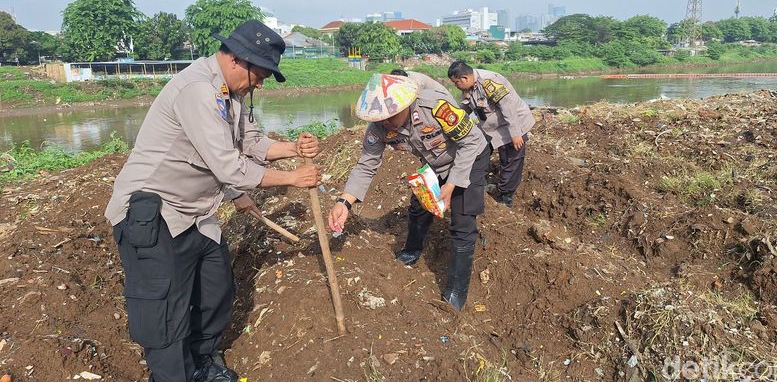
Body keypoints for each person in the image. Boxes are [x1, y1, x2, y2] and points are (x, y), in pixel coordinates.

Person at [104, 20, 321, 382]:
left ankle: (203, 363)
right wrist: (292, 179)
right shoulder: (198, 90)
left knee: (216, 289)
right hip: (155, 214)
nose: (261, 82)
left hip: (197, 214)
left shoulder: (230, 95)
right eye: (261, 73)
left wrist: (292, 149)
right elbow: (228, 165)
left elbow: (250, 143)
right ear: (237, 59)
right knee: (166, 313)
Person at [327, 73, 490, 311]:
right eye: (379, 118)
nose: (385, 122)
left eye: (389, 116)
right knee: (419, 206)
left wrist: (452, 183)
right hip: (435, 164)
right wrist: (344, 202)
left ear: (405, 104)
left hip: (470, 157)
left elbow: (472, 141)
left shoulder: (435, 107)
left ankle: (456, 290)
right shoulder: (379, 128)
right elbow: (366, 164)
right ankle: (412, 250)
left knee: (462, 223)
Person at [448, 61, 535, 207]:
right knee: (479, 151)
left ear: (464, 78)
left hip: (512, 123)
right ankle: (477, 183)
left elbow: (508, 107)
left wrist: (516, 133)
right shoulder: (469, 86)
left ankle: (506, 195)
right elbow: (466, 105)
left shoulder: (490, 81)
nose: (455, 86)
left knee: (511, 159)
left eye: (456, 83)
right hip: (491, 126)